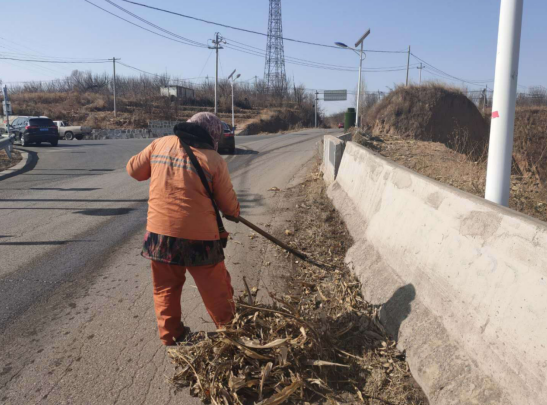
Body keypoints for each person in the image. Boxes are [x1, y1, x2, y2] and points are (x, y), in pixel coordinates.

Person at [126, 112, 240, 346]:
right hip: (201, 241)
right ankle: (229, 331)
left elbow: (134, 170)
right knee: (216, 289)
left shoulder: (160, 144)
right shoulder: (214, 160)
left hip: (160, 237)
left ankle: (171, 335)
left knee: (165, 287)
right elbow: (229, 207)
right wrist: (235, 213)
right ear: (212, 135)